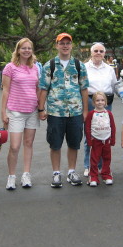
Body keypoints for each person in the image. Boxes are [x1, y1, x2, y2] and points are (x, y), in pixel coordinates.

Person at [38, 32, 89, 188]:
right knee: (55, 144)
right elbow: (43, 88)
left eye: (68, 43)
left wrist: (85, 110)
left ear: (71, 45)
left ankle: (72, 172)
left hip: (75, 111)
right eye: (62, 43)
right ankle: (56, 173)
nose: (65, 46)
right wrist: (41, 109)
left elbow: (84, 89)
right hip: (55, 112)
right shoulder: (49, 65)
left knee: (74, 143)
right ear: (57, 45)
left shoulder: (79, 65)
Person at [1, 38, 40, 190]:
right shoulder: (10, 68)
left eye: (29, 48)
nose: (26, 50)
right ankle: (11, 176)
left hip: (32, 110)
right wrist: (3, 112)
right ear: (18, 50)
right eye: (23, 48)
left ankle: (26, 174)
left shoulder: (35, 67)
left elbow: (37, 88)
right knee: (15, 146)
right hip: (15, 111)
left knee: (28, 144)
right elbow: (5, 90)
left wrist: (41, 108)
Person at [83, 42, 117, 177]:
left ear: (104, 53)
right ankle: (88, 166)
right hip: (90, 102)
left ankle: (104, 167)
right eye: (96, 51)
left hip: (106, 103)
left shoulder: (109, 69)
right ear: (91, 53)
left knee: (105, 135)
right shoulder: (84, 67)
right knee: (89, 136)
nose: (98, 53)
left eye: (101, 51)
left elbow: (115, 86)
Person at [84, 91, 116, 187]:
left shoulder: (108, 113)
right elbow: (87, 128)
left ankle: (106, 174)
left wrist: (112, 139)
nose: (100, 102)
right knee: (94, 159)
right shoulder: (91, 114)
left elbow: (112, 127)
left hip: (106, 140)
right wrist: (89, 140)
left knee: (107, 158)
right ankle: (93, 176)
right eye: (97, 100)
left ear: (106, 102)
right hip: (96, 141)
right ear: (93, 102)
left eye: (102, 100)